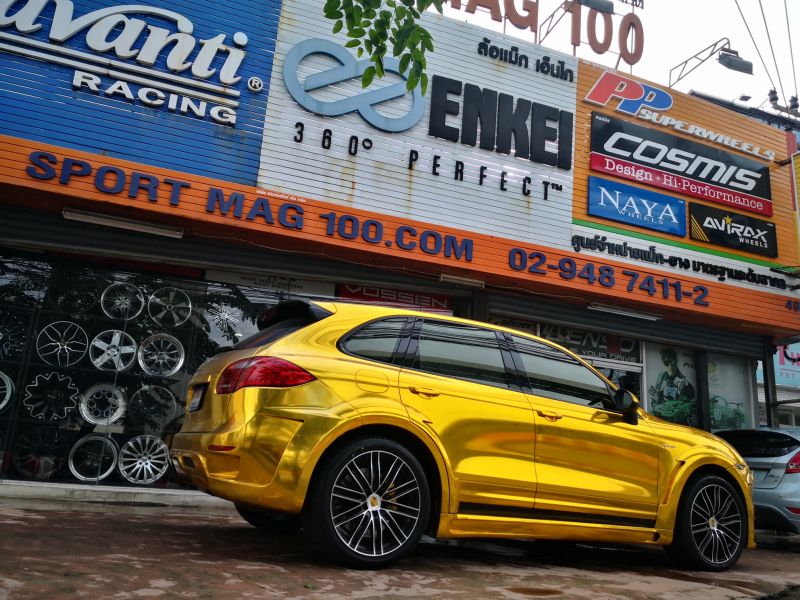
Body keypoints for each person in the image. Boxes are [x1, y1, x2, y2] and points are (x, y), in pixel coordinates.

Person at [649, 346, 696, 418]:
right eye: (666, 363)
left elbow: (686, 406)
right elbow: (655, 406)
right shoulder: (661, 377)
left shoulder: (683, 382)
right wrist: (656, 401)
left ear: (676, 361)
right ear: (663, 363)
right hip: (661, 419)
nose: (670, 367)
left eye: (673, 362)